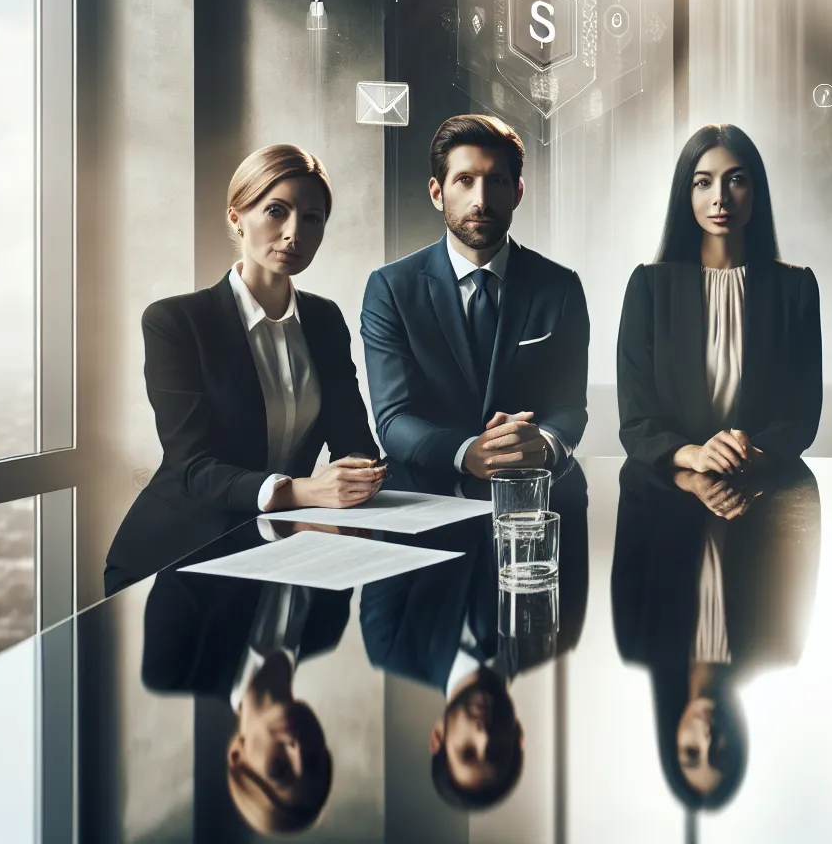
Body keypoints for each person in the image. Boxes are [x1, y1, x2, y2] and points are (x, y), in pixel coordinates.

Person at [105, 145, 384, 594]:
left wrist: (357, 473)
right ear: (236, 217)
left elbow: (354, 440)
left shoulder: (325, 319)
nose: (294, 233)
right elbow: (192, 466)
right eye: (276, 211)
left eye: (312, 218)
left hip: (283, 544)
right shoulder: (176, 322)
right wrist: (301, 491)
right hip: (179, 551)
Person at [361, 115, 590, 497]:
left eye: (496, 181)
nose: (480, 200)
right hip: (427, 503)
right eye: (465, 180)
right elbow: (394, 417)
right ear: (437, 193)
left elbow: (569, 406)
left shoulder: (559, 287)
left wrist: (545, 444)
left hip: (533, 498)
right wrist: (467, 452)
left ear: (517, 192)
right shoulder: (391, 289)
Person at [359, 465, 591, 810]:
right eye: (496, 750)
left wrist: (463, 458)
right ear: (519, 736)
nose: (483, 735)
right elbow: (571, 491)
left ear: (438, 738)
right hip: (525, 439)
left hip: (426, 439)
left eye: (468, 751)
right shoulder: (559, 634)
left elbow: (393, 502)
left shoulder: (389, 645)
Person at [611, 458, 822, 812]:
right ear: (738, 742)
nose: (707, 738)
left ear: (672, 739)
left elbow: (634, 496)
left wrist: (686, 476)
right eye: (720, 754)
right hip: (756, 461)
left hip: (672, 462)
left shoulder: (638, 640)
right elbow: (801, 503)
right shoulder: (779, 646)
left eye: (691, 752)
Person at [617, 124, 822, 474]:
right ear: (687, 193)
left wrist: (752, 453)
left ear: (756, 190)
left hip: (764, 493)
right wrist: (694, 454)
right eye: (703, 182)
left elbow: (801, 414)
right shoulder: (648, 287)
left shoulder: (795, 287)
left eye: (736, 180)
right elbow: (636, 423)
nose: (720, 197)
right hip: (669, 496)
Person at [139, 526, 353, 834]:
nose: (296, 748)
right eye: (314, 759)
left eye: (279, 768)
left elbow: (189, 528)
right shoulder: (327, 629)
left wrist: (286, 521)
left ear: (237, 755)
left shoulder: (172, 666)